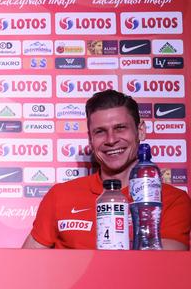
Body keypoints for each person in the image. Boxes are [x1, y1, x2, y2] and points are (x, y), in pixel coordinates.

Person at [23, 89, 190, 250]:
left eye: (120, 128)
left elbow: (167, 267)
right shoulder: (60, 196)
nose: (111, 140)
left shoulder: (172, 200)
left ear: (140, 131)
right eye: (100, 132)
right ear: (90, 139)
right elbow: (27, 266)